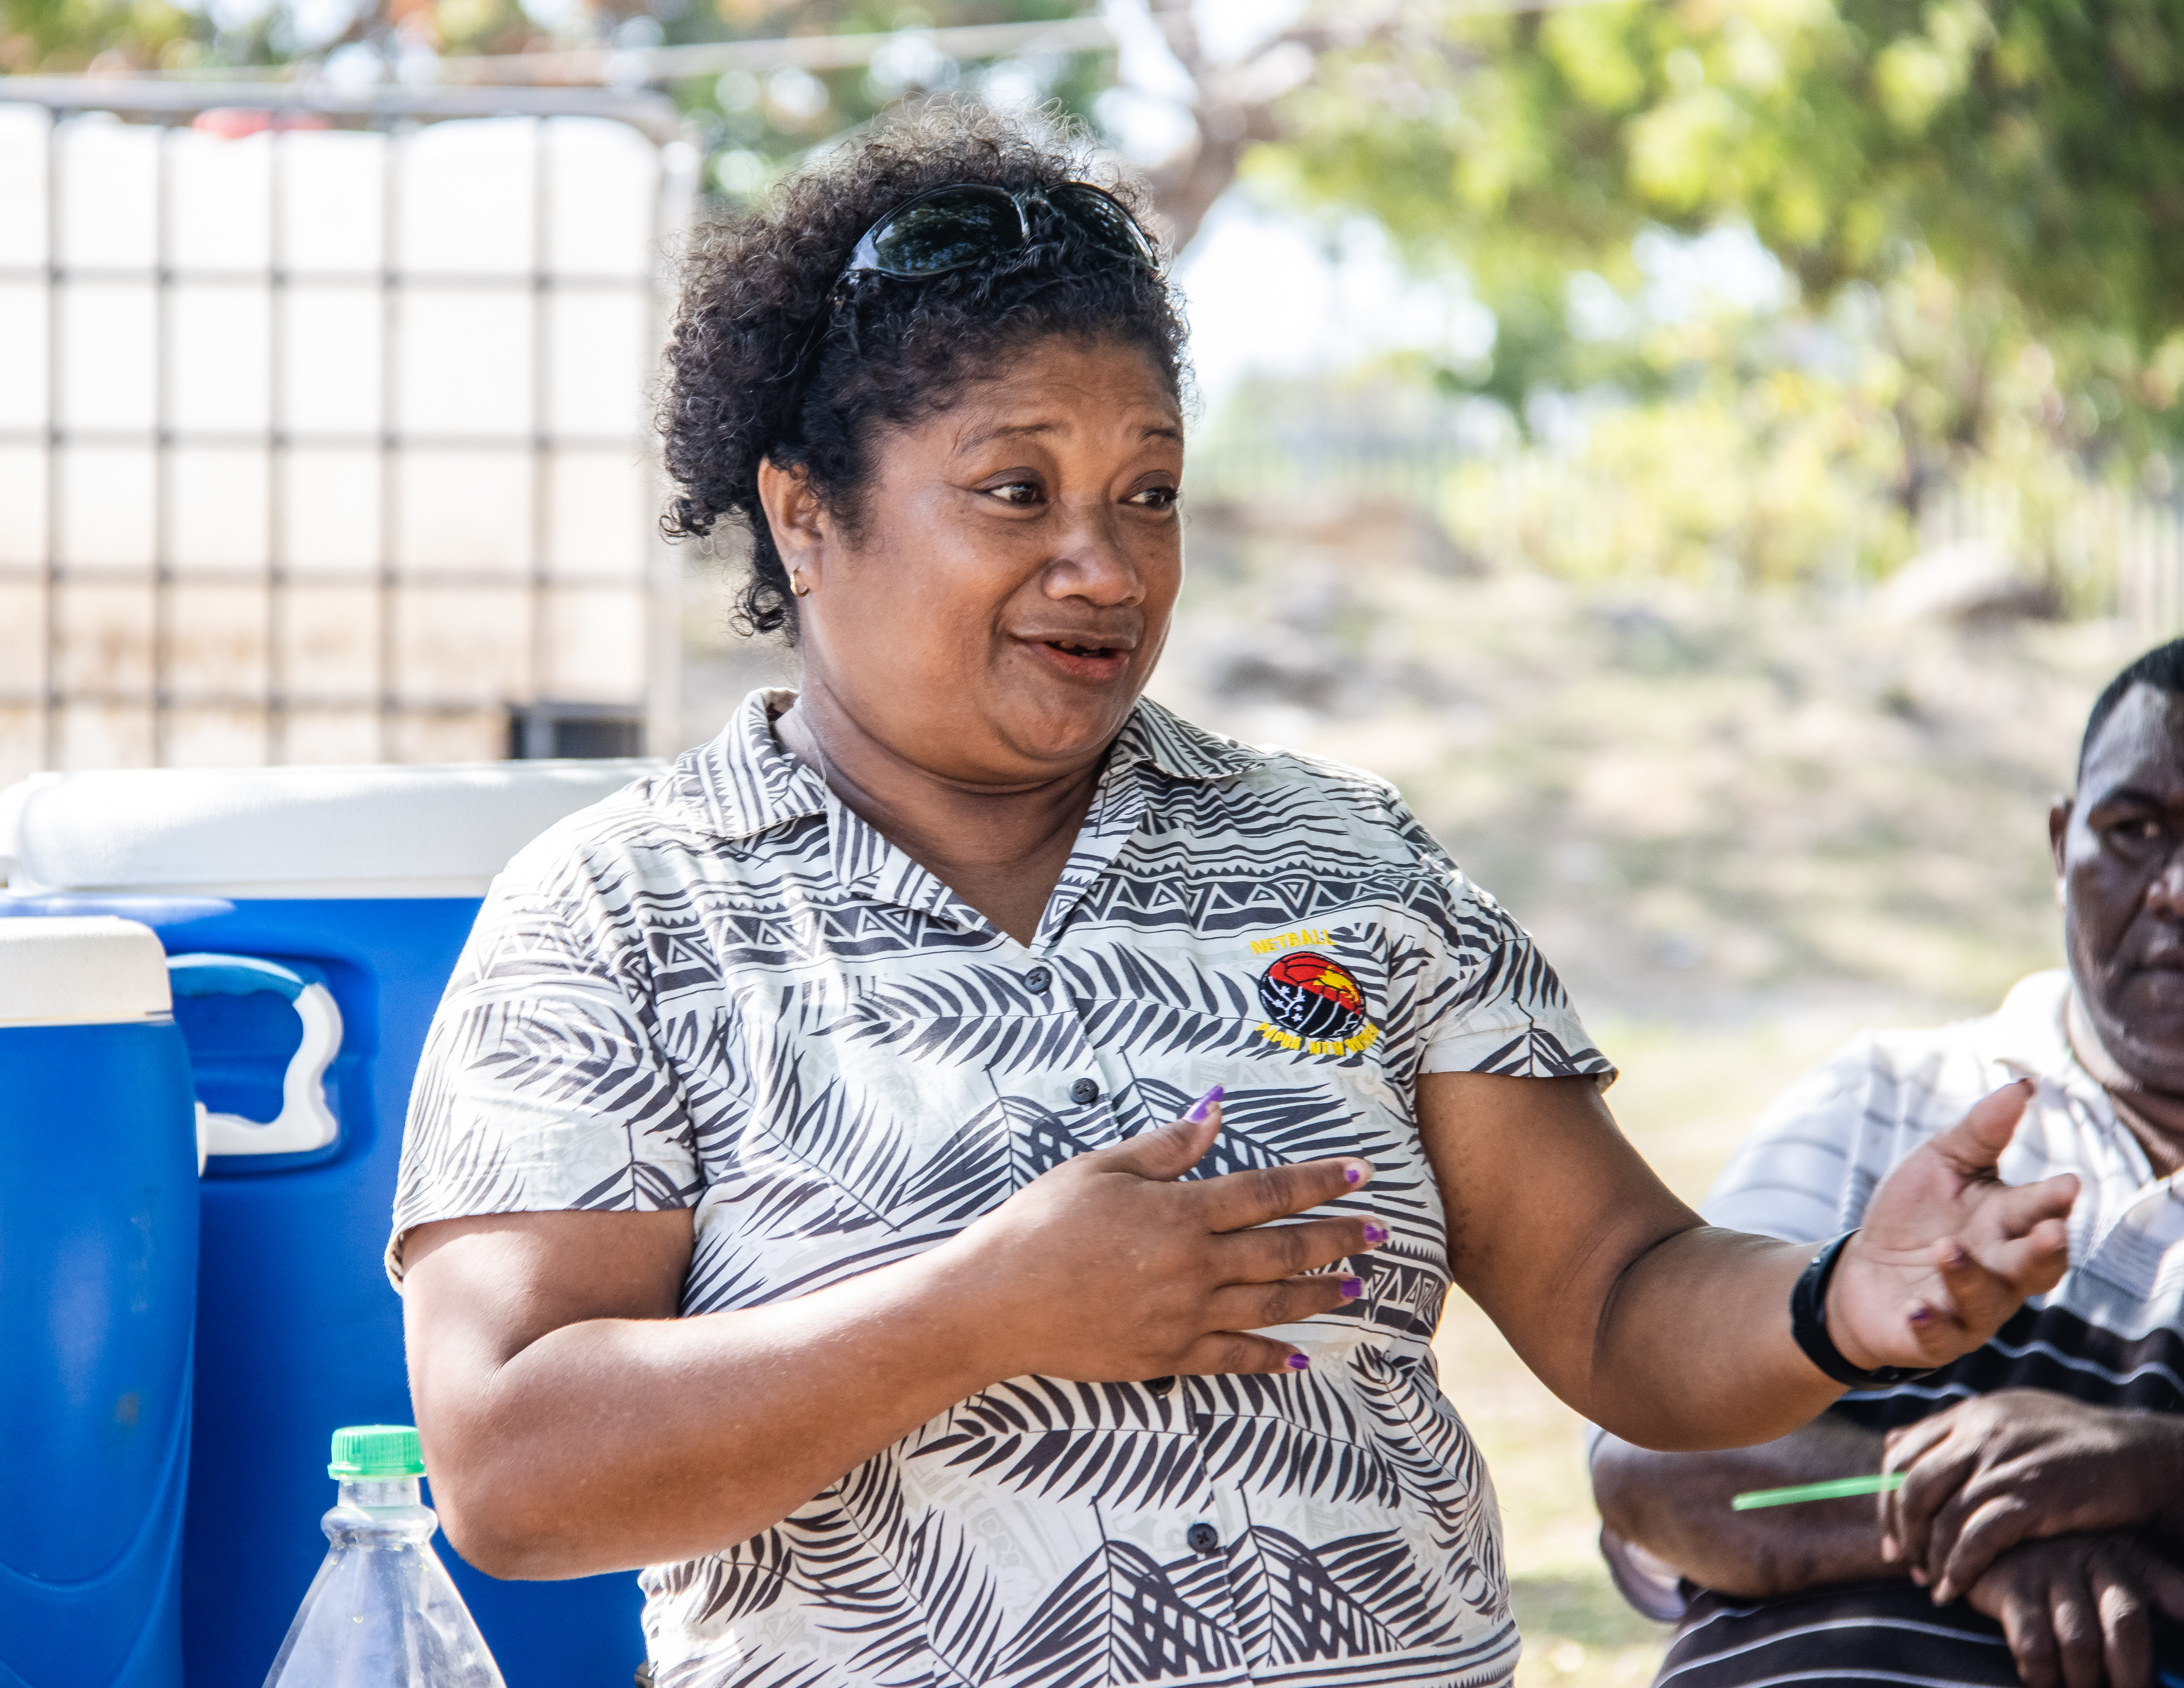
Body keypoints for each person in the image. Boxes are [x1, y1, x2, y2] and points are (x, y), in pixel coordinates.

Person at [388, 105, 2074, 1688]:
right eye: (1014, 490)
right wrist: (979, 1311)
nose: (1104, 566)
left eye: (1149, 492)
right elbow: (511, 1464)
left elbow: (1619, 1295)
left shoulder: (1344, 860)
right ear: (804, 514)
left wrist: (1834, 1299)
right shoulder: (622, 913)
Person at [1593, 639, 2184, 1688]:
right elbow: (1658, 1466)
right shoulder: (1885, 1099)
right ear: (2062, 844)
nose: (2176, 892)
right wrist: (1991, 1527)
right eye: (2135, 831)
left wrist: (2147, 1466)